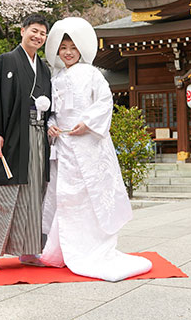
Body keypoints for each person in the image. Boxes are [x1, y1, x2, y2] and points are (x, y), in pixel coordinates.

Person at [40, 17, 152, 282]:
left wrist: (87, 123)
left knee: (91, 197)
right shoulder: (54, 78)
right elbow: (52, 112)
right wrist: (51, 126)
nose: (67, 52)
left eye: (73, 47)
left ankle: (91, 247)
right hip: (64, 146)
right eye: (63, 47)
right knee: (65, 198)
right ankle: (61, 250)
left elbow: (104, 102)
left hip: (89, 142)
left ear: (81, 50)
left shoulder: (92, 74)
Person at [0, 13, 52, 274]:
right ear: (22, 31)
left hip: (37, 135)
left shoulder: (43, 68)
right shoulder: (6, 61)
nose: (38, 36)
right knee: (5, 193)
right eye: (34, 30)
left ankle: (29, 251)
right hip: (12, 137)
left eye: (42, 33)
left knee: (34, 194)